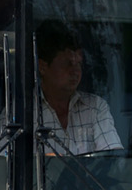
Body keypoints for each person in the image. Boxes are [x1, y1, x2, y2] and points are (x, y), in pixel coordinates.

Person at [35, 21, 121, 155]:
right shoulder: (22, 112)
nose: (75, 71)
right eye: (68, 63)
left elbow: (112, 161)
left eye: (78, 64)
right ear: (43, 67)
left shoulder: (95, 107)